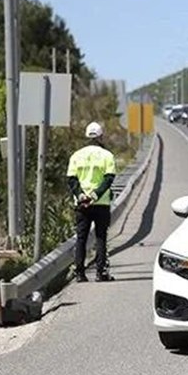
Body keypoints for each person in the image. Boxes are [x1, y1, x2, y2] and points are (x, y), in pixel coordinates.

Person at [67, 121, 117, 282]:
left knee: (81, 238)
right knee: (101, 237)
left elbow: (72, 179)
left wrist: (81, 195)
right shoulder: (107, 155)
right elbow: (109, 178)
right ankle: (101, 272)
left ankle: (80, 274)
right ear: (101, 136)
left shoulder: (76, 155)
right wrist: (95, 195)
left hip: (82, 204)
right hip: (101, 203)